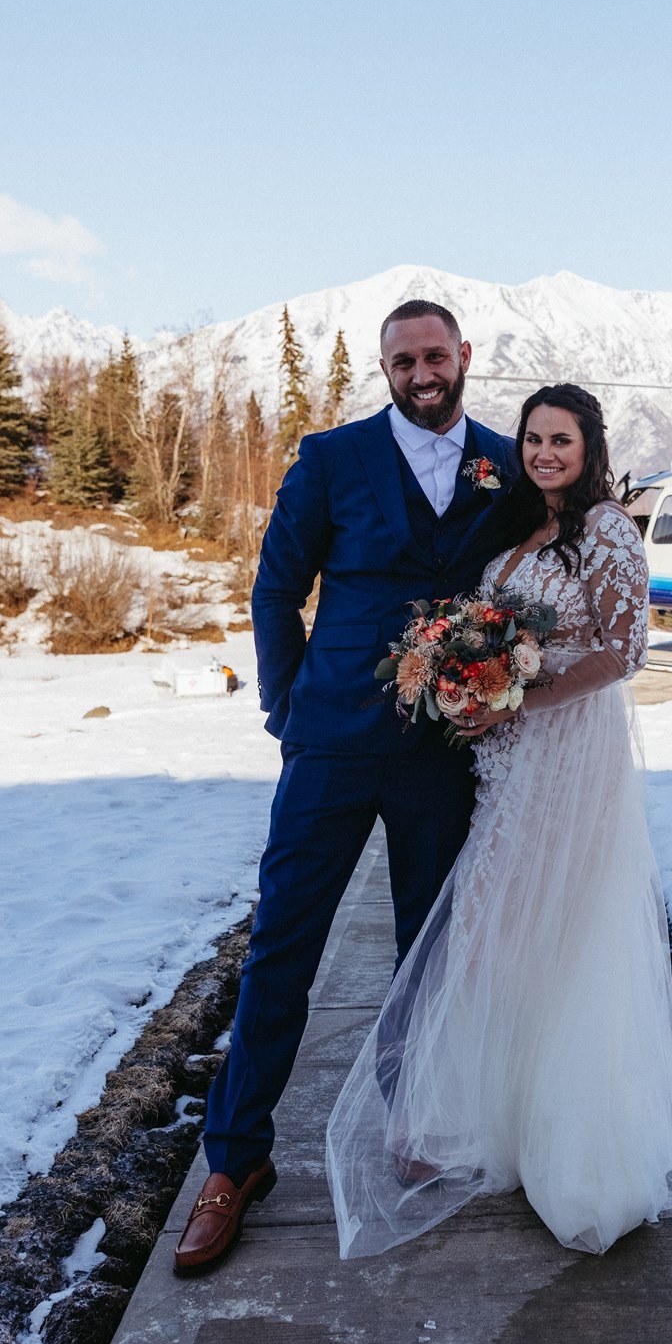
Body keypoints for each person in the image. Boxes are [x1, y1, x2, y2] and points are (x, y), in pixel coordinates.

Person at [175, 300, 518, 1277]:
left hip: (439, 751)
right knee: (282, 945)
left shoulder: (500, 460)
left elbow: (516, 588)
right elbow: (275, 588)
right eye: (404, 357)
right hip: (327, 741)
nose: (422, 370)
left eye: (436, 354)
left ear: (463, 357)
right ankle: (234, 1165)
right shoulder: (329, 457)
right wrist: (286, 710)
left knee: (428, 948)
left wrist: (498, 682)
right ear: (384, 365)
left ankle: (413, 1120)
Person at [325, 384, 672, 1257]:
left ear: (589, 445)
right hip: (508, 758)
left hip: (566, 751)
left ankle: (568, 1138)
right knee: (497, 920)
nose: (544, 453)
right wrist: (464, 675)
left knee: (542, 919)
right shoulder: (523, 524)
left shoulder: (605, 530)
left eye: (560, 440)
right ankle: (488, 1112)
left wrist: (520, 701)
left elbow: (623, 649)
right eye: (533, 439)